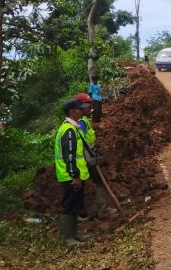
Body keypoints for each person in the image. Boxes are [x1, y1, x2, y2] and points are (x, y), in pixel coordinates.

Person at [55, 98, 90, 245]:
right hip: (70, 176)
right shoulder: (68, 131)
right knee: (69, 205)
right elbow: (69, 156)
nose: (82, 111)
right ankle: (67, 238)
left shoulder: (73, 128)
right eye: (79, 109)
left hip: (74, 175)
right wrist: (74, 176)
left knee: (75, 204)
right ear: (72, 112)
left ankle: (74, 234)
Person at [74, 92, 114, 219]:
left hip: (85, 157)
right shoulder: (81, 122)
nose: (90, 107)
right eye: (87, 105)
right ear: (80, 107)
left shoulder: (83, 120)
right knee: (96, 181)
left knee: (86, 184)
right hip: (84, 159)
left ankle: (83, 212)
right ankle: (103, 210)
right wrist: (89, 158)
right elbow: (80, 143)